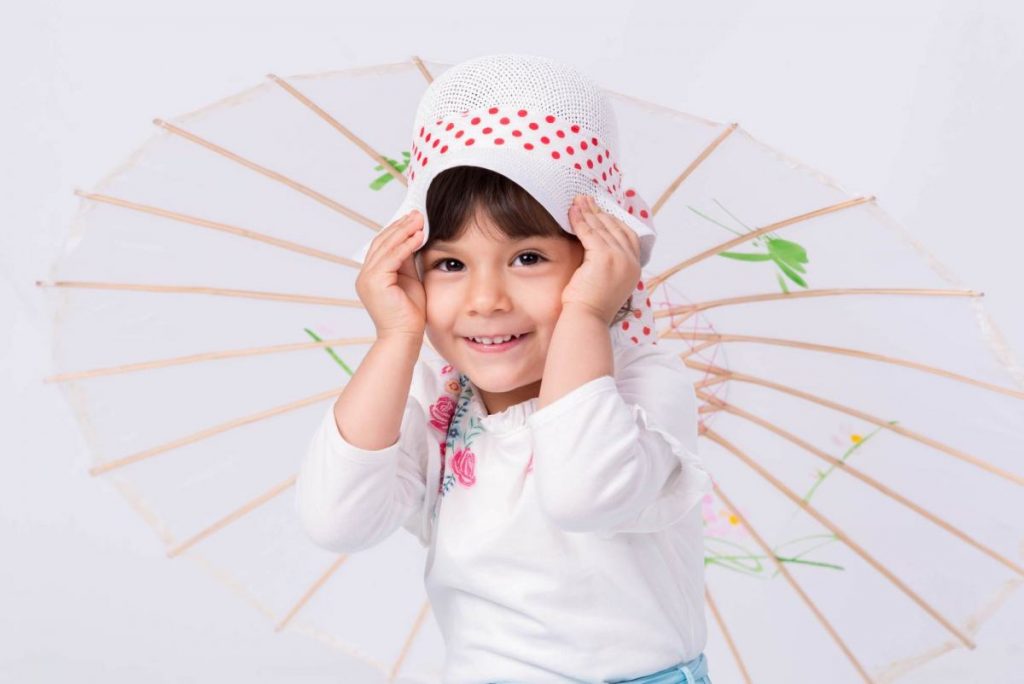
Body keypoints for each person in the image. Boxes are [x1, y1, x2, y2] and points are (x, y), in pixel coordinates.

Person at [295, 54, 713, 684]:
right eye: (450, 265)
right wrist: (395, 338)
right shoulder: (438, 397)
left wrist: (586, 315)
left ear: (599, 261)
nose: (486, 299)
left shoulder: (643, 385)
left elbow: (582, 493)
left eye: (527, 256)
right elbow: (338, 521)